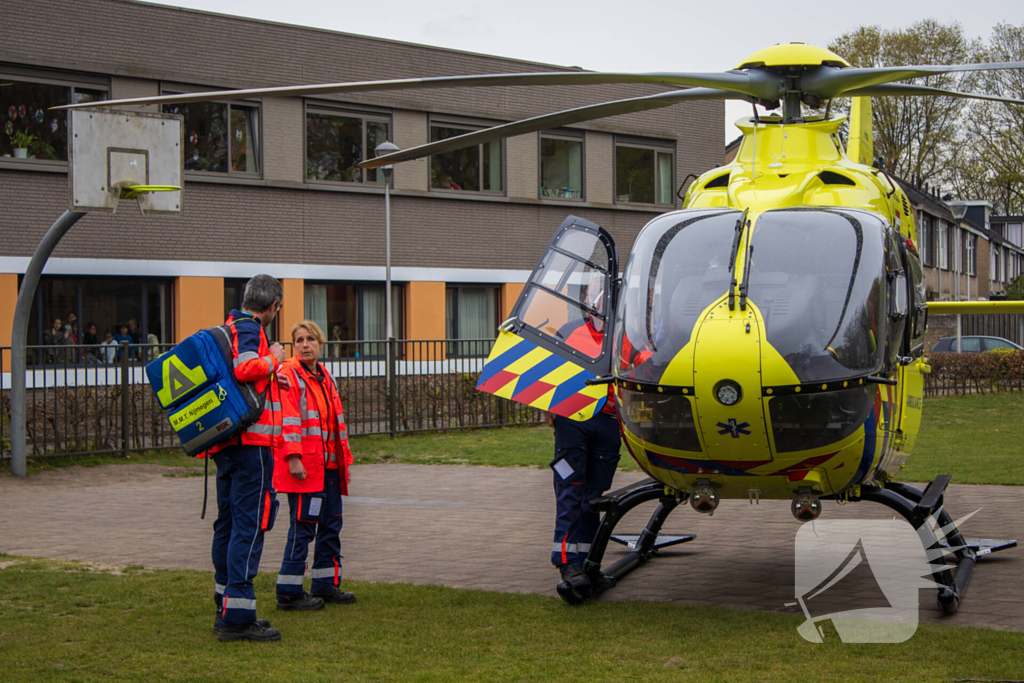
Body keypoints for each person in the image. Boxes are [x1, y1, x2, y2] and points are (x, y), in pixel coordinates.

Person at [208, 274, 298, 643]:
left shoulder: (229, 326)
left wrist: (274, 377)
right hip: (252, 447)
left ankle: (225, 604)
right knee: (249, 526)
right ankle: (238, 618)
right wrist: (274, 359)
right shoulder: (250, 328)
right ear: (274, 305)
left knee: (228, 525)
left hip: (227, 444)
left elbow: (242, 379)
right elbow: (245, 368)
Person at [274, 320, 355, 611]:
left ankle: (325, 584)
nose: (304, 345)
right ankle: (289, 592)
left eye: (310, 339)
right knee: (304, 528)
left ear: (321, 343)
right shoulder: (289, 374)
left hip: (328, 468)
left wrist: (344, 461)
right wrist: (293, 458)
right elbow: (288, 420)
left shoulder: (323, 376)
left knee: (331, 525)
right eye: (299, 340)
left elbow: (334, 425)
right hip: (305, 469)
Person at [548, 277, 621, 592]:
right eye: (595, 292)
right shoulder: (570, 332)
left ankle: (589, 564)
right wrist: (549, 406)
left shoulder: (623, 336)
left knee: (594, 497)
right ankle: (567, 563)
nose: (599, 299)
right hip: (573, 419)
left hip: (609, 422)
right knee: (571, 490)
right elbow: (549, 368)